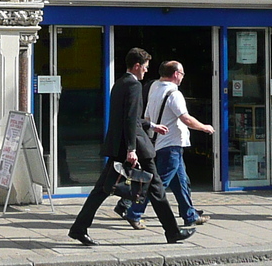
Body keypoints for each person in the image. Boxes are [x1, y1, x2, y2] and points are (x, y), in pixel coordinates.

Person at [68, 48, 194, 247]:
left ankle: (78, 228)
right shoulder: (134, 85)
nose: (145, 71)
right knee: (156, 187)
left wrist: (151, 126)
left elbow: (130, 118)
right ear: (136, 66)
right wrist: (131, 149)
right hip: (133, 146)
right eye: (144, 68)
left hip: (119, 145)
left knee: (101, 190)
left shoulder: (119, 84)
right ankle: (172, 231)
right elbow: (128, 119)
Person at [125, 60, 213, 228]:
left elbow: (148, 117)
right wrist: (204, 127)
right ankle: (134, 212)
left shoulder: (155, 88)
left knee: (181, 182)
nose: (182, 77)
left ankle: (190, 215)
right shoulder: (174, 94)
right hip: (171, 145)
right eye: (182, 74)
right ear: (175, 74)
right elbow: (185, 118)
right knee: (158, 185)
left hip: (163, 144)